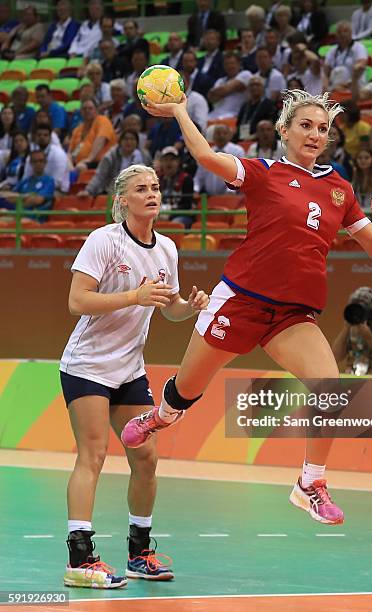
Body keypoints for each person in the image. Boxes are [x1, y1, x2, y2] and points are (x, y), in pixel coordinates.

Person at [121, 89, 372, 526]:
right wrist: (179, 110)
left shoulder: (340, 189)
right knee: (187, 389)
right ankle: (161, 415)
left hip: (292, 316)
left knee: (331, 391)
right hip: (240, 301)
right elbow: (207, 157)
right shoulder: (263, 172)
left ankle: (311, 483)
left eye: (322, 129)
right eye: (305, 125)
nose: (314, 134)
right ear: (284, 130)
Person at [59, 163, 210, 588]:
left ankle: (139, 553)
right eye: (141, 188)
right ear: (122, 199)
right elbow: (77, 300)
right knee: (93, 454)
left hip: (129, 369)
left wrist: (190, 307)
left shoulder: (167, 249)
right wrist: (133, 295)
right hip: (87, 365)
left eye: (156, 187)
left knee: (146, 457)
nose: (152, 194)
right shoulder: (103, 241)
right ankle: (79, 559)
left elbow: (171, 307)